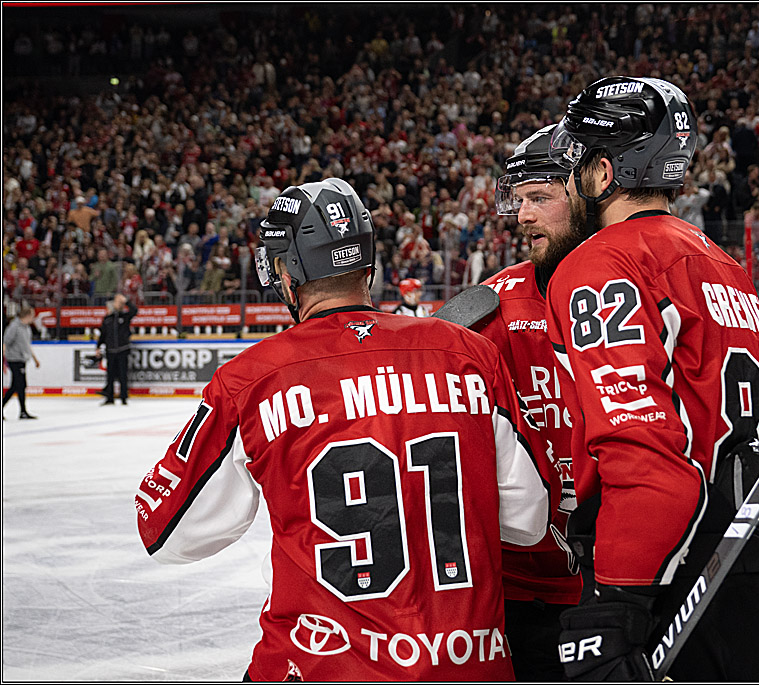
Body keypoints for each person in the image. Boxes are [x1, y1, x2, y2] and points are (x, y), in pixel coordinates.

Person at [135, 178, 549, 681]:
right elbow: (529, 519)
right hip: (469, 664)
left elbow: (169, 534)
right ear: (367, 266)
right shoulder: (467, 354)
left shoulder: (252, 379)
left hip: (319, 664)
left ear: (286, 273)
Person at [544, 77, 759, 681]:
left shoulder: (600, 263)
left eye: (575, 164)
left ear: (601, 173)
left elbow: (641, 449)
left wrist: (617, 598)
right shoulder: (721, 263)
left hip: (682, 583)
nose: (568, 181)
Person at [486, 124, 582, 680]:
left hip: (625, 582)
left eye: (540, 198)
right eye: (518, 201)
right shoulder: (490, 309)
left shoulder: (642, 294)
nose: (522, 216)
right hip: (519, 592)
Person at [96, 293, 137, 405]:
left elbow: (134, 311)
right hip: (110, 350)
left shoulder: (125, 316)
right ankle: (110, 397)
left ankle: (124, 397)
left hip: (123, 349)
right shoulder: (107, 319)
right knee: (110, 376)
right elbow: (103, 334)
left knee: (123, 375)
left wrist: (126, 301)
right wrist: (98, 347)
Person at [3, 305, 41, 420]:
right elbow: (5, 342)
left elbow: (27, 345)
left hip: (22, 359)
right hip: (14, 359)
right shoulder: (14, 327)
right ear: (27, 316)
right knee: (20, 385)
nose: (33, 318)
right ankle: (23, 411)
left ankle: (22, 411)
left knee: (17, 385)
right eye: (32, 315)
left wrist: (34, 358)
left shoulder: (26, 328)